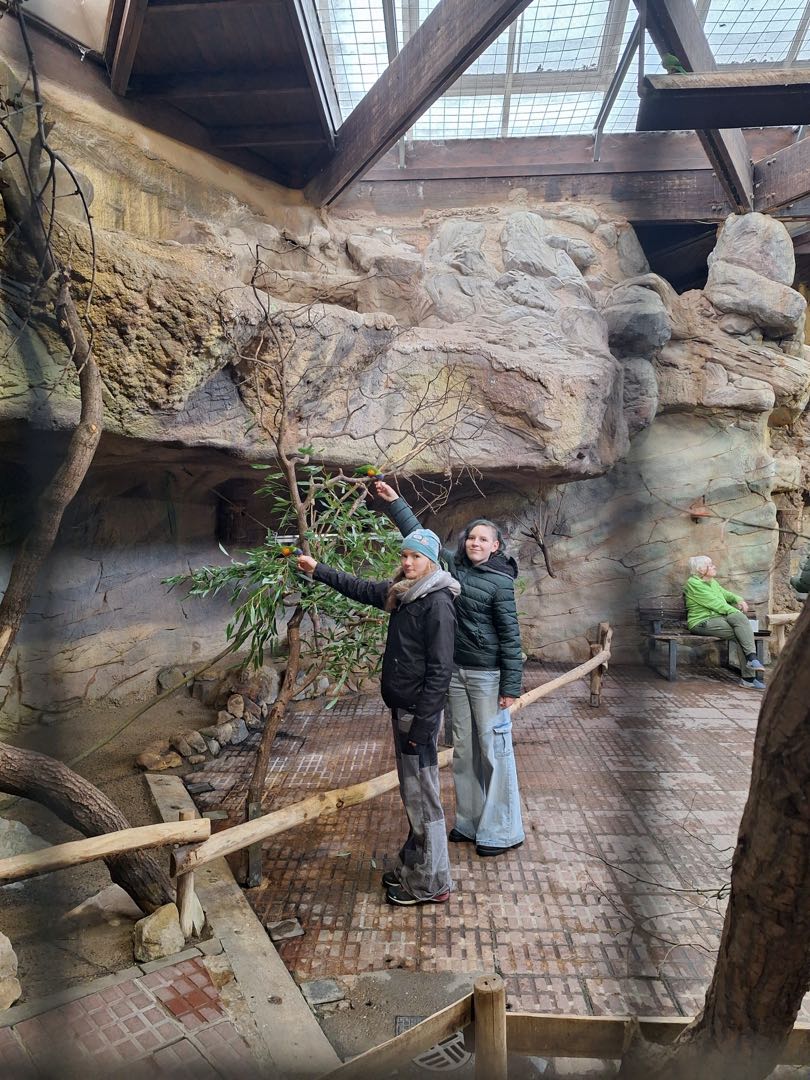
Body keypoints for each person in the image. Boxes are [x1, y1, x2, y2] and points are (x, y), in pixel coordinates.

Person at [297, 528, 459, 906]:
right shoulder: (403, 592)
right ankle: (414, 865)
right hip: (404, 710)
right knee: (413, 792)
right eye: (405, 555)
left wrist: (423, 726)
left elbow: (441, 671)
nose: (407, 562)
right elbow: (360, 588)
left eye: (416, 557)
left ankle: (432, 883)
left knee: (423, 796)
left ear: (431, 561)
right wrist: (317, 569)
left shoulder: (437, 603)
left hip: (417, 714)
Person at [374, 481, 525, 858]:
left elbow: (511, 636)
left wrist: (511, 686)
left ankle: (502, 829)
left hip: (488, 676)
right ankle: (470, 821)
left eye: (483, 539)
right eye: (471, 537)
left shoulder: (501, 582)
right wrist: (395, 502)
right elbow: (421, 542)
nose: (475, 542)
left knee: (493, 749)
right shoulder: (452, 567)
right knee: (464, 749)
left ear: (496, 546)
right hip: (456, 674)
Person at [683, 555, 766, 689]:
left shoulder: (712, 582)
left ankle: (751, 661)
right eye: (710, 565)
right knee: (741, 633)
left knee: (741, 626)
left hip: (720, 618)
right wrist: (736, 611)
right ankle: (749, 675)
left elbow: (726, 594)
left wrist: (739, 599)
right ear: (701, 569)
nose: (714, 567)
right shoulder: (693, 583)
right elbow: (715, 604)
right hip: (702, 622)